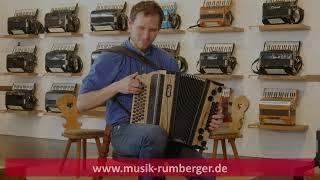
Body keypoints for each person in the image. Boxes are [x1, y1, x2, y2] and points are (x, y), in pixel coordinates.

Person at [78, 1, 223, 180]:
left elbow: (183, 105)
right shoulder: (111, 58)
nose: (146, 36)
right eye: (141, 28)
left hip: (167, 135)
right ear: (130, 24)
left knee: (207, 175)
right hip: (123, 131)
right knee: (154, 134)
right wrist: (117, 87)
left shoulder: (167, 60)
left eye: (153, 30)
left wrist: (208, 118)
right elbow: (82, 104)